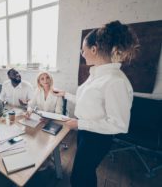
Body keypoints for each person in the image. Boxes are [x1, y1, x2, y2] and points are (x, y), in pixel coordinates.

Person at [55, 20, 139, 187]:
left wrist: (80, 123)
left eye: (83, 49)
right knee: (83, 173)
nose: (82, 52)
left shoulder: (116, 82)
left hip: (97, 138)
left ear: (93, 49)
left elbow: (119, 125)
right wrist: (66, 95)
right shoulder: (96, 74)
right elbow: (89, 102)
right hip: (86, 132)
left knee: (80, 176)